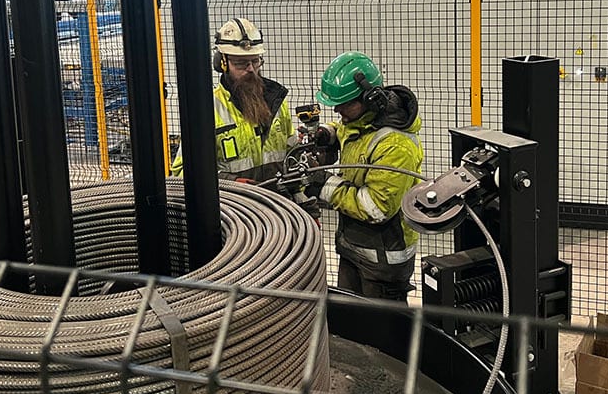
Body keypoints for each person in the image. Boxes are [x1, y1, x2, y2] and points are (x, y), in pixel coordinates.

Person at [303, 51, 423, 301]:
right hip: (353, 249)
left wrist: (324, 185)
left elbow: (376, 208)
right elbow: (350, 130)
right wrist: (328, 133)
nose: (337, 110)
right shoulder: (362, 119)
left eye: (344, 104)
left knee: (382, 334)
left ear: (370, 98)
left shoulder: (395, 145)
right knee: (352, 328)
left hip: (382, 263)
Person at [171, 17, 295, 183]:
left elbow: (292, 153)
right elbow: (182, 172)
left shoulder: (277, 103)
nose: (251, 69)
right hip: (233, 206)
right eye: (241, 63)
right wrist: (231, 182)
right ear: (222, 64)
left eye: (255, 61)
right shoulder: (207, 110)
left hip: (277, 203)